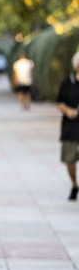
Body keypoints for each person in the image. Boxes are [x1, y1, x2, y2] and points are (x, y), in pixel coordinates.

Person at [56, 51, 79, 201]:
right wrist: (68, 111)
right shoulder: (67, 82)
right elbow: (59, 102)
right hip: (71, 125)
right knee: (70, 159)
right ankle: (74, 184)